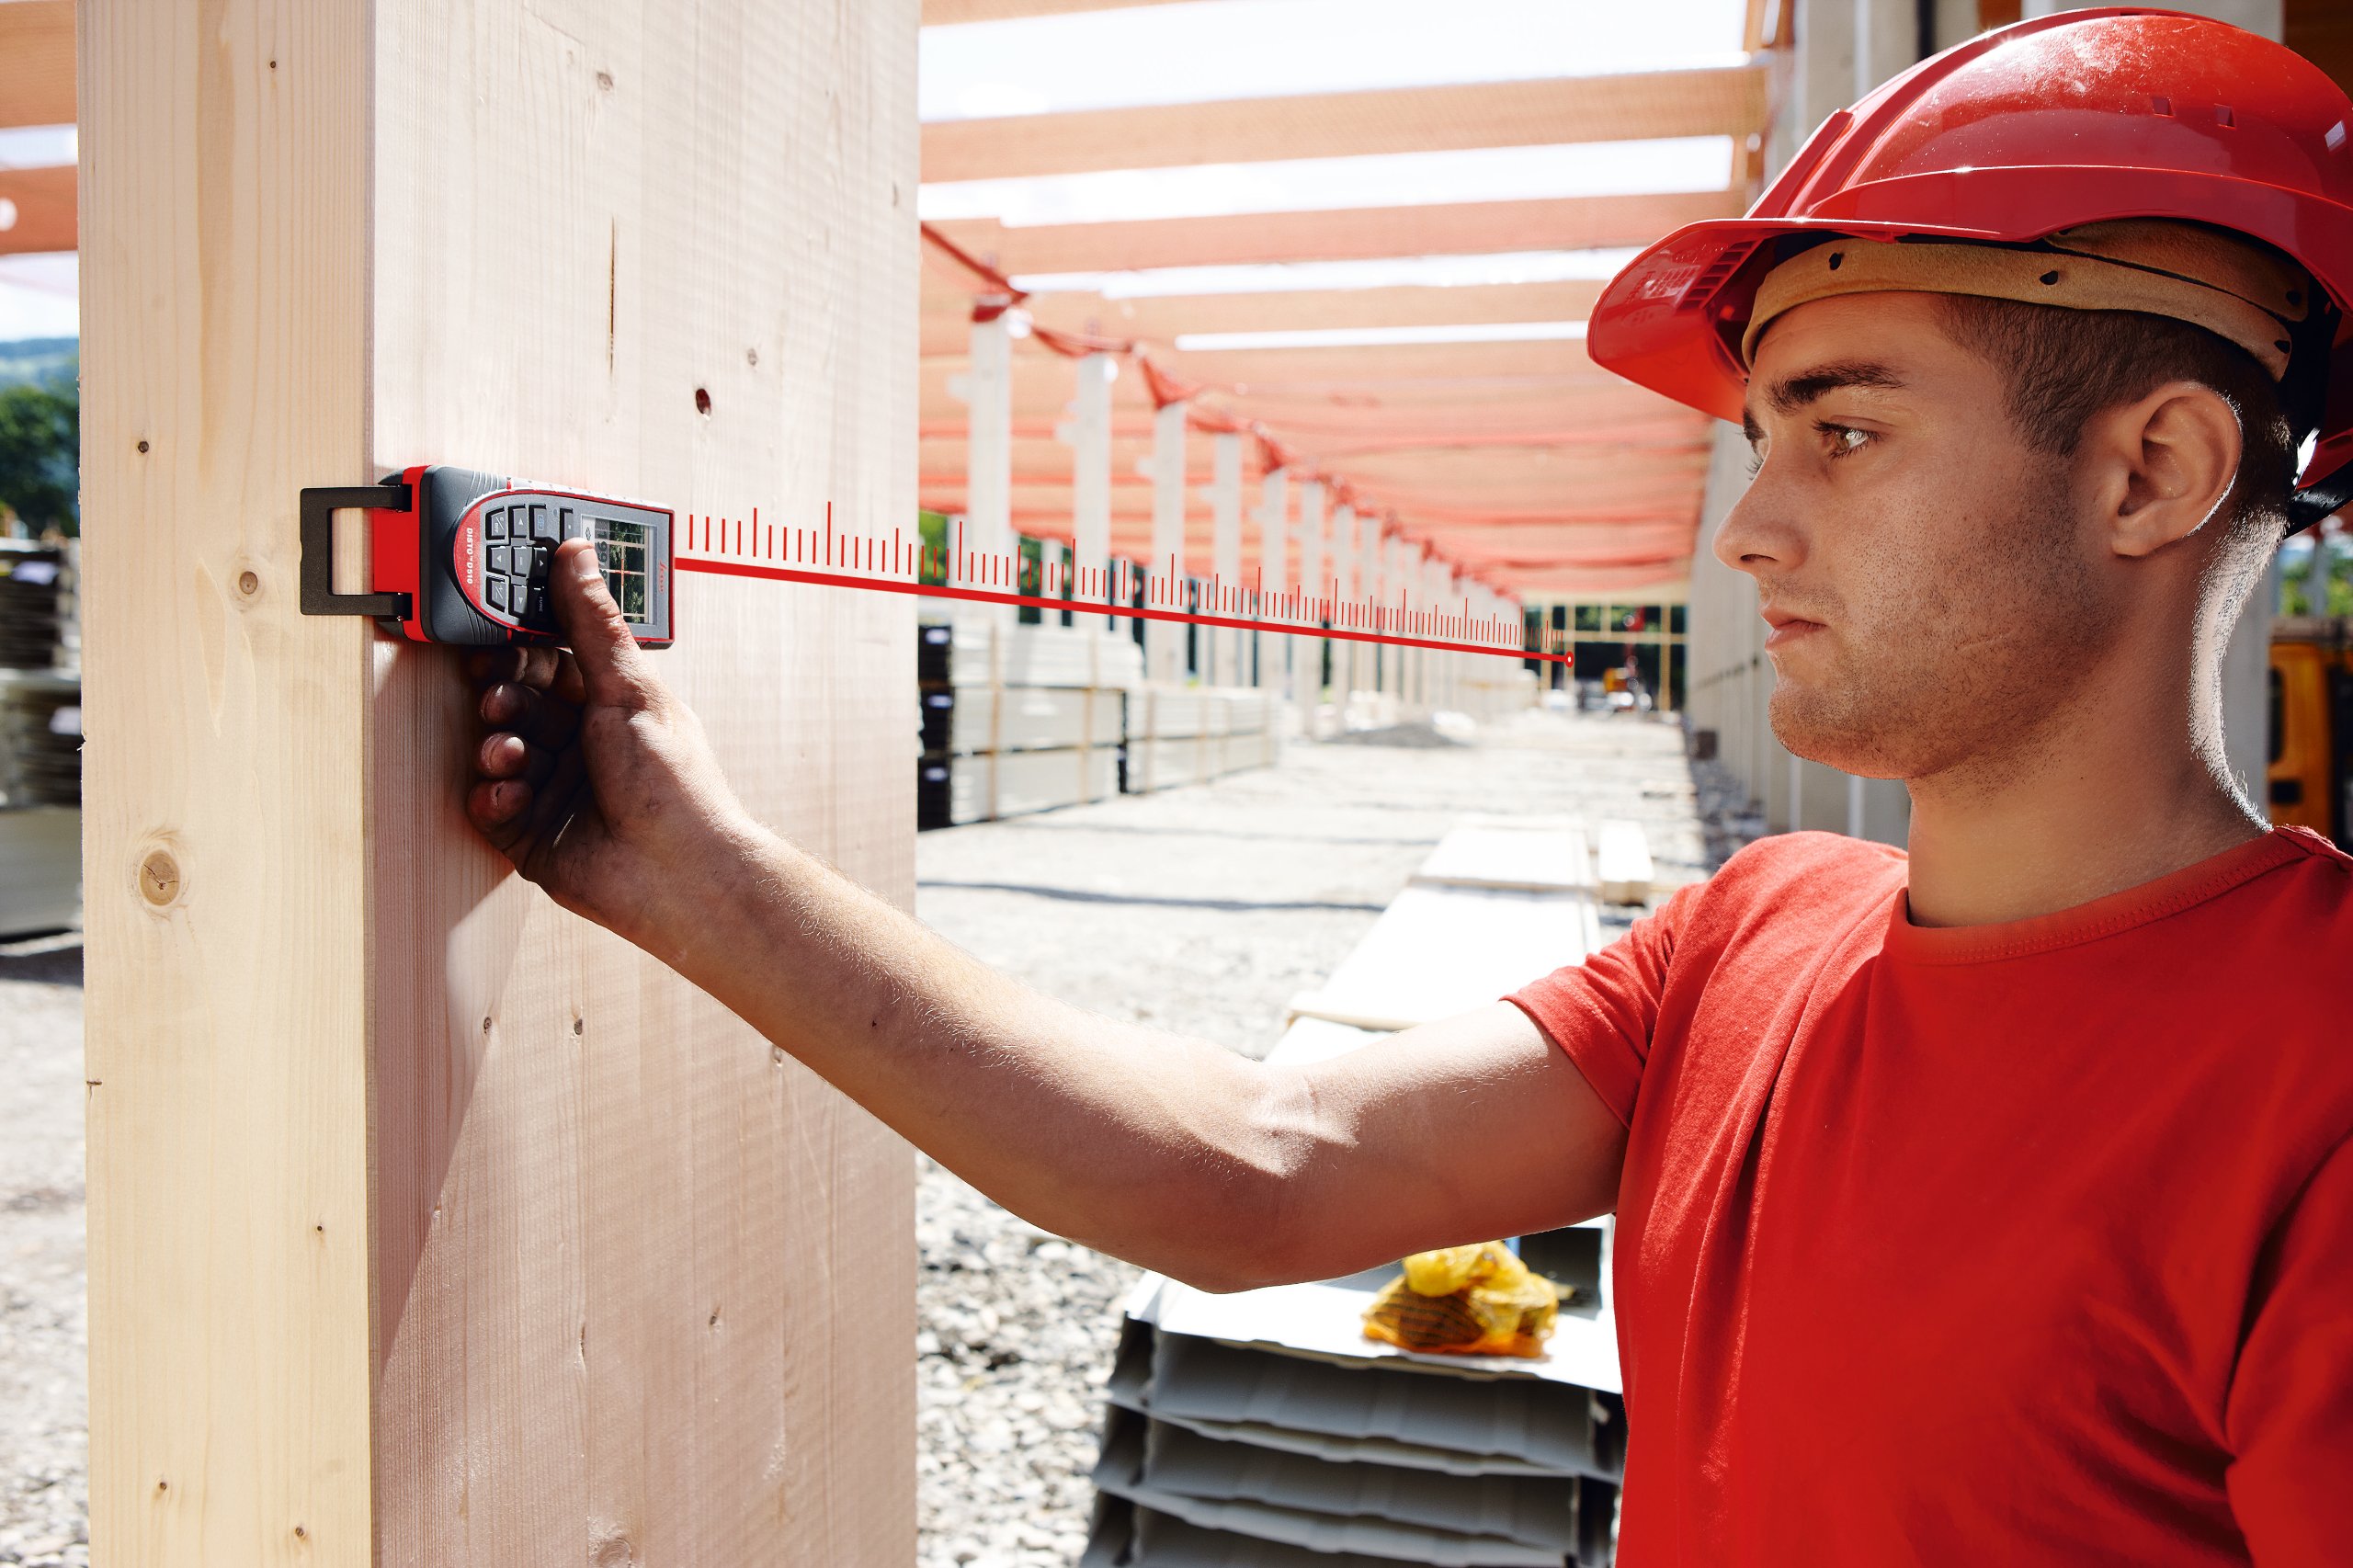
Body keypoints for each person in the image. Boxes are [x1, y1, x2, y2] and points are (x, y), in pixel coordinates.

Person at [460, 12, 2353, 1564]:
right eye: (1760, 440)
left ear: (2148, 472)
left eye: (1845, 431)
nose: (1753, 531)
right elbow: (1259, 1169)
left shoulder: (2310, 1085)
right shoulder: (1756, 932)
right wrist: (687, 870)